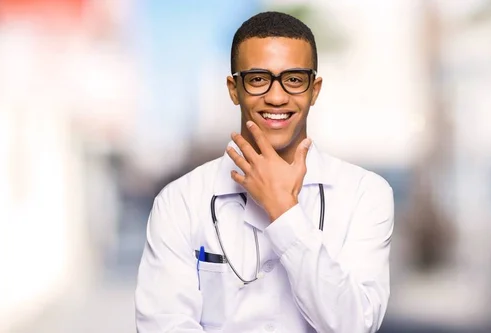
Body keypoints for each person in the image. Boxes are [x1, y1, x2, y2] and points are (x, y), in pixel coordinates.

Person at [135, 11, 394, 333]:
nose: (276, 96)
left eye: (294, 79)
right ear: (234, 89)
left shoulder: (365, 193)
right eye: (258, 79)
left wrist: (284, 213)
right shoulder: (180, 201)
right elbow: (164, 325)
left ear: (314, 90)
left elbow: (355, 325)